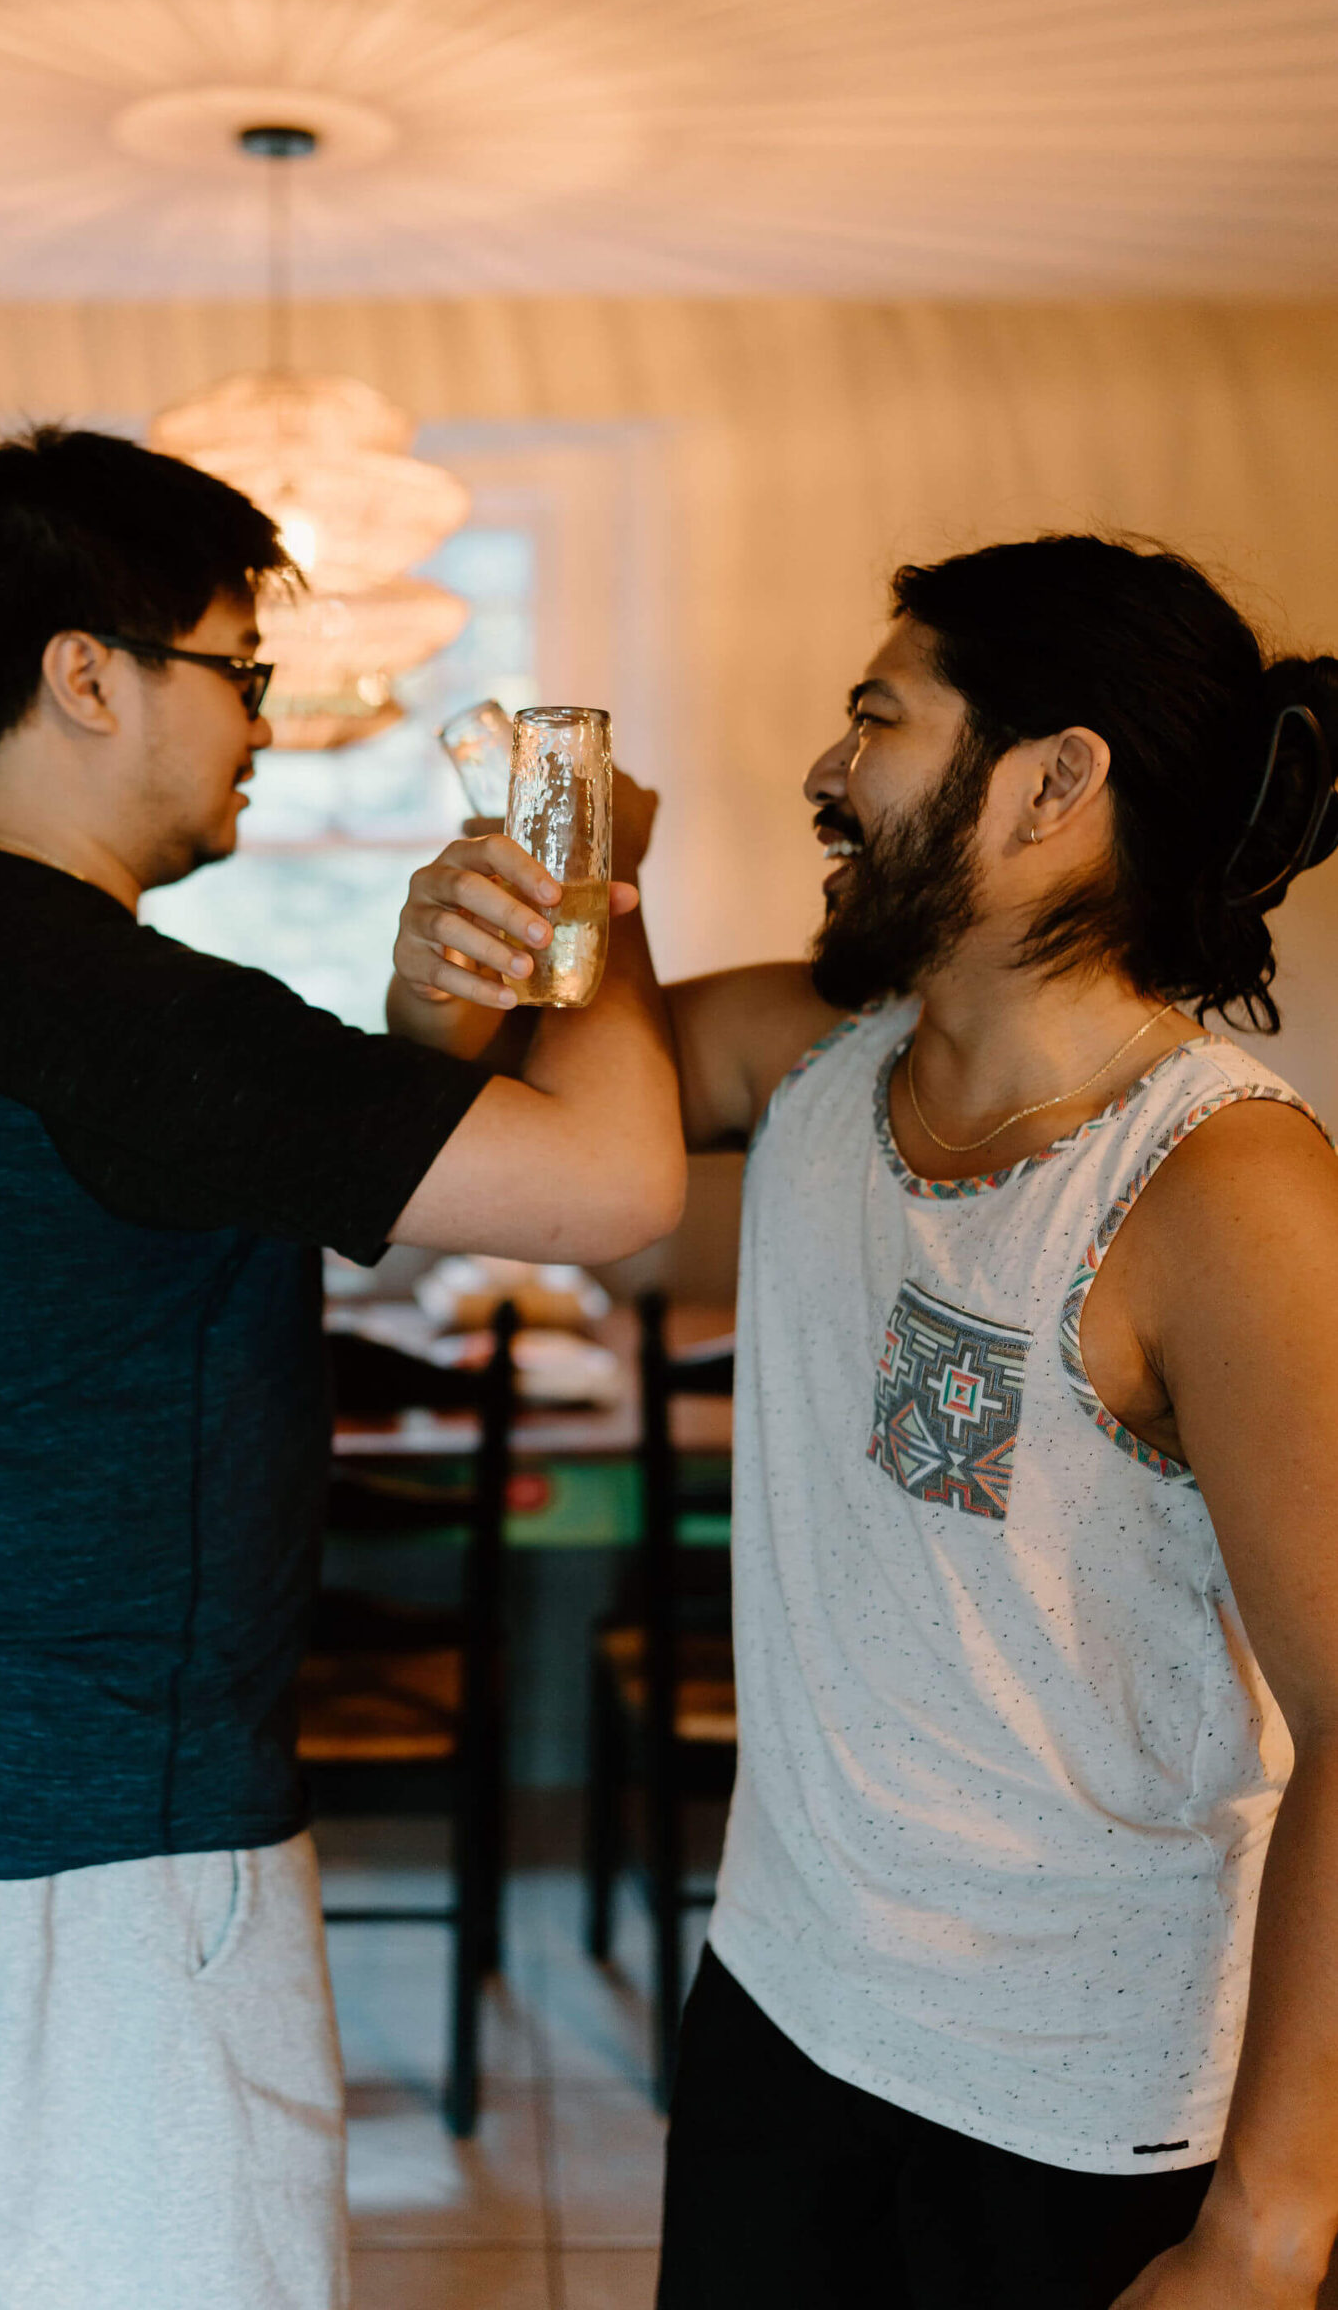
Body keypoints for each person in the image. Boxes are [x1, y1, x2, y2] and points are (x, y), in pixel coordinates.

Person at [0, 424, 685, 2310]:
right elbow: (612, 1187)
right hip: (101, 1836)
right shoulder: (123, 1016)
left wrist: (436, 1003)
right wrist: (592, 879)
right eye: (240, 670)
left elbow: (307, 1134)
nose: (271, 720)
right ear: (89, 674)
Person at [394, 535, 1338, 2310]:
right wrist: (504, 910)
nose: (828, 774)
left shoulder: (1221, 1186)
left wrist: (1271, 2229)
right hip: (781, 1999)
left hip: (1073, 2094)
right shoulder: (814, 1058)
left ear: (1057, 782)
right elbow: (520, 1114)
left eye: (876, 721)